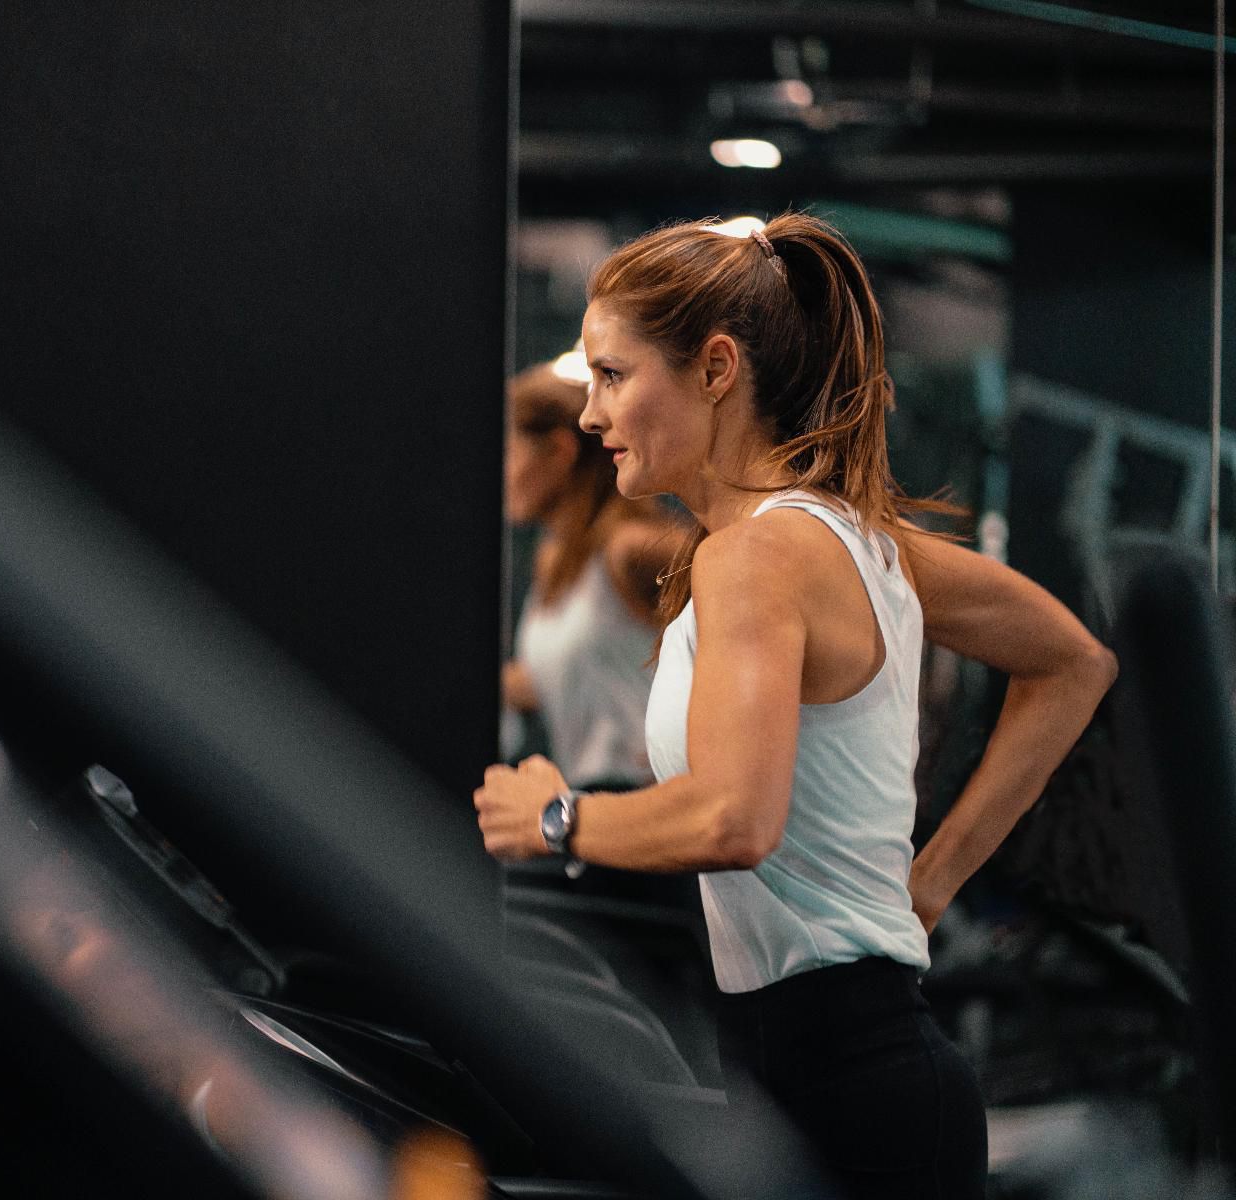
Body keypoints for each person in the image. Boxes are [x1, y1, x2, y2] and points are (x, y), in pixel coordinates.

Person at [473, 214, 1117, 1198]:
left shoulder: (761, 552)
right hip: (814, 1072)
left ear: (715, 369)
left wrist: (558, 819)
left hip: (852, 1089)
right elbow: (1070, 661)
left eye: (612, 376)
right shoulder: (841, 542)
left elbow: (737, 818)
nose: (592, 416)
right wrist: (927, 881)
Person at [503, 358, 681, 793]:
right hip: (587, 799)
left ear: (560, 453)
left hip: (651, 797)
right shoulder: (554, 559)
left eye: (508, 452)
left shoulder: (631, 548)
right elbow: (558, 677)